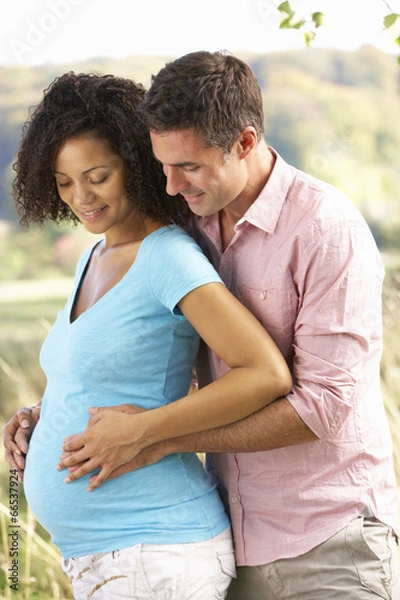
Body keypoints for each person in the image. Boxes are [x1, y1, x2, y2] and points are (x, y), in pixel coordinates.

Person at [5, 52, 399, 598]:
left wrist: (153, 437)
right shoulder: (190, 219)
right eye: (161, 165)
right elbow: (165, 360)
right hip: (239, 537)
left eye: (187, 166)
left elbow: (322, 406)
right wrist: (57, 418)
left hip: (326, 538)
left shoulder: (326, 230)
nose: (168, 186)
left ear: (244, 141)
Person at [3, 71, 293, 600]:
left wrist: (149, 430)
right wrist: (40, 418)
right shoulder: (95, 256)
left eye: (96, 176)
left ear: (134, 166)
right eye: (64, 182)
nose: (80, 197)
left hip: (156, 551)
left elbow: (265, 374)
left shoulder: (167, 256)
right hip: (106, 556)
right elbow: (101, 376)